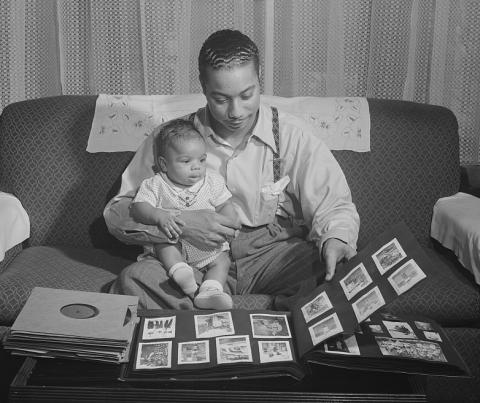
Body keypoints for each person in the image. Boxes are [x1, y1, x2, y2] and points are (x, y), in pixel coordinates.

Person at [104, 29, 360, 311]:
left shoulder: (293, 136)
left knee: (338, 274)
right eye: (221, 99)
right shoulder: (170, 140)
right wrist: (181, 223)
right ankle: (229, 321)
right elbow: (117, 213)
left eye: (247, 95)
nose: (236, 112)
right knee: (135, 280)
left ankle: (207, 322)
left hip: (270, 253)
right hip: (192, 257)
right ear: (203, 86)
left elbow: (335, 206)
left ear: (259, 77)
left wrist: (335, 238)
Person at [130, 118, 238, 310]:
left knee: (222, 260)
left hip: (207, 246)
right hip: (175, 241)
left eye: (202, 160)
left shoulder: (212, 182)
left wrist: (229, 220)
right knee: (165, 246)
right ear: (164, 164)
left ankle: (210, 290)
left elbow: (225, 204)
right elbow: (138, 207)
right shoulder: (156, 184)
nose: (196, 167)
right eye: (186, 161)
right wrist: (158, 215)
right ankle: (180, 272)